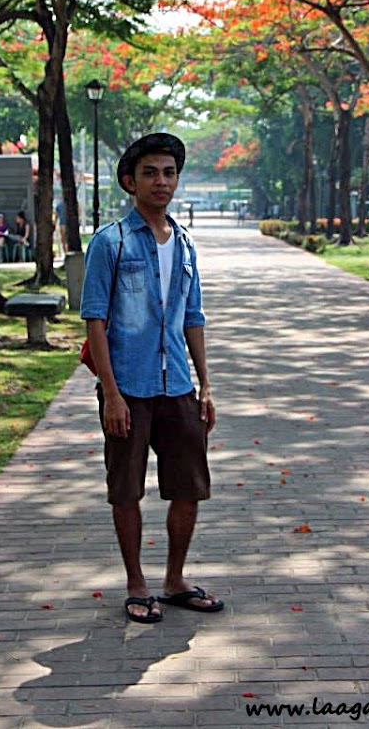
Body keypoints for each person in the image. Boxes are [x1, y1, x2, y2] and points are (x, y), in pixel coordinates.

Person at [80, 132, 222, 625]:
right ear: (130, 182)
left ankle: (175, 579)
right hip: (129, 387)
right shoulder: (111, 242)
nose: (161, 181)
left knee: (189, 486)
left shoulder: (184, 244)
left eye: (169, 172)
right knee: (126, 489)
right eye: (150, 173)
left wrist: (205, 385)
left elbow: (193, 317)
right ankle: (136, 584)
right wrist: (112, 394)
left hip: (177, 384)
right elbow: (95, 319)